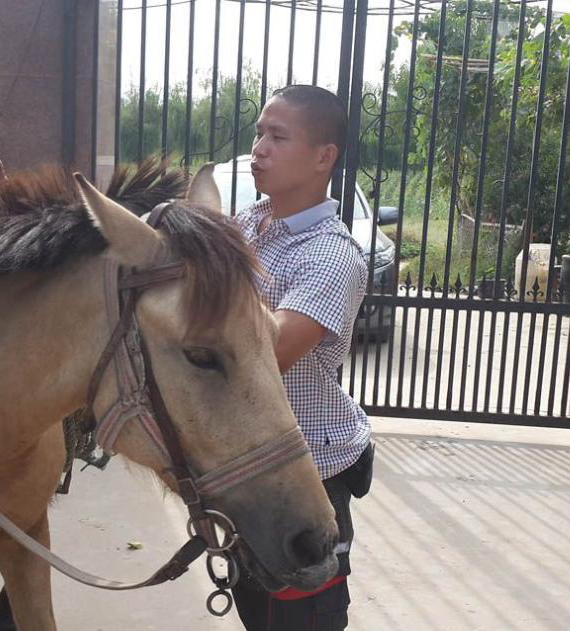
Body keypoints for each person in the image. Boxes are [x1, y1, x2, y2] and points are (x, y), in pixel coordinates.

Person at [230, 84, 375, 631]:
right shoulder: (248, 223)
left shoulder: (331, 256)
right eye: (259, 134)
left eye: (278, 136)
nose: (259, 149)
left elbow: (265, 356)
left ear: (323, 157)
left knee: (298, 614)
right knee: (255, 607)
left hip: (305, 471)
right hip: (246, 463)